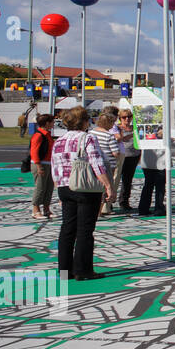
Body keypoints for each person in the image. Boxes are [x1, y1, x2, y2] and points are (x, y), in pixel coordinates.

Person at [50, 106, 114, 281]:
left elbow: (54, 167)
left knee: (67, 229)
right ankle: (83, 269)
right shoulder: (87, 138)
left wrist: (59, 190)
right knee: (85, 230)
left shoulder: (59, 140)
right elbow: (96, 163)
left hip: (65, 187)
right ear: (84, 122)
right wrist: (108, 185)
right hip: (85, 187)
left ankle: (64, 271)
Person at [90, 110, 121, 217]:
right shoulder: (109, 136)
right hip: (108, 164)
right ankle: (98, 211)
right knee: (105, 187)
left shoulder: (91, 132)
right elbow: (115, 152)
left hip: (93, 164)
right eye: (112, 123)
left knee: (95, 187)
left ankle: (93, 210)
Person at [29, 113, 55, 220]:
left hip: (48, 163)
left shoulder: (47, 134)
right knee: (40, 187)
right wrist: (38, 165)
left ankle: (46, 209)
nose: (54, 124)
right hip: (40, 164)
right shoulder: (38, 135)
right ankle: (36, 210)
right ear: (47, 123)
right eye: (52, 122)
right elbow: (34, 152)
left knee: (49, 187)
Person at [117, 109, 139, 211]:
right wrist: (132, 134)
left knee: (128, 180)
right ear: (120, 118)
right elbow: (120, 139)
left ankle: (124, 201)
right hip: (121, 156)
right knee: (115, 179)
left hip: (133, 155)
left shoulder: (134, 128)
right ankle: (108, 200)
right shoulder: (117, 128)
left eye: (129, 117)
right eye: (124, 117)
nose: (127, 119)